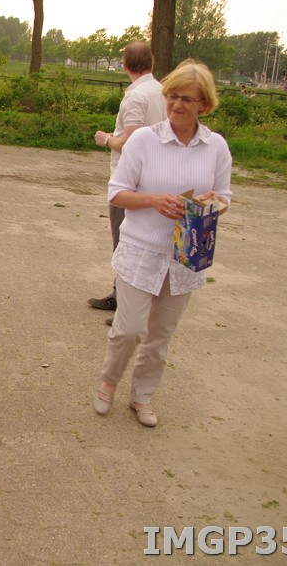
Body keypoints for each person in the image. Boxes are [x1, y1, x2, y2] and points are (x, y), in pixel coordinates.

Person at [93, 59, 232, 427]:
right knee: (130, 330)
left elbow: (226, 196)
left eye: (187, 99)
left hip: (185, 255)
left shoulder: (216, 147)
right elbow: (116, 193)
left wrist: (209, 204)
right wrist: (154, 200)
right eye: (172, 96)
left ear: (204, 104)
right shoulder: (144, 140)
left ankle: (142, 396)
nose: (176, 104)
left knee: (159, 336)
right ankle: (109, 381)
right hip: (141, 249)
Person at [90, 42, 166, 317]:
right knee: (141, 242)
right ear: (151, 63)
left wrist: (106, 139)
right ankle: (124, 297)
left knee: (125, 242)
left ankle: (126, 304)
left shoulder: (136, 97)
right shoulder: (161, 91)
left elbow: (131, 143)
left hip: (130, 181)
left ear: (124, 65)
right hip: (155, 176)